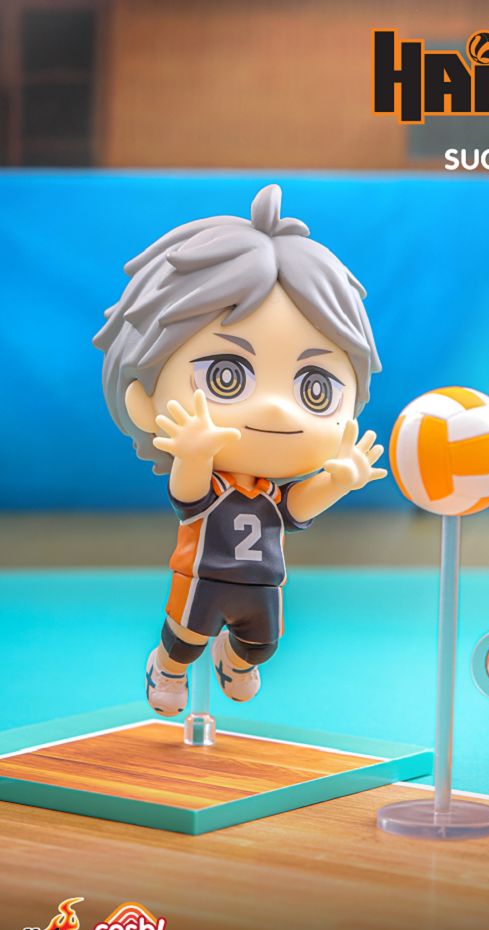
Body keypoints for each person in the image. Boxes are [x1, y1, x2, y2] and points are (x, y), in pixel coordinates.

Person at [94, 184, 385, 716]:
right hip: (202, 579)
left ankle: (235, 659)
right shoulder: (211, 485)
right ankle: (167, 667)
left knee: (262, 644)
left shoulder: (271, 492)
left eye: (314, 388)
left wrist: (338, 481)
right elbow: (188, 496)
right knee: (185, 639)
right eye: (226, 376)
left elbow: (296, 508)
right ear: (144, 400)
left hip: (263, 581)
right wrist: (193, 454)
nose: (275, 410)